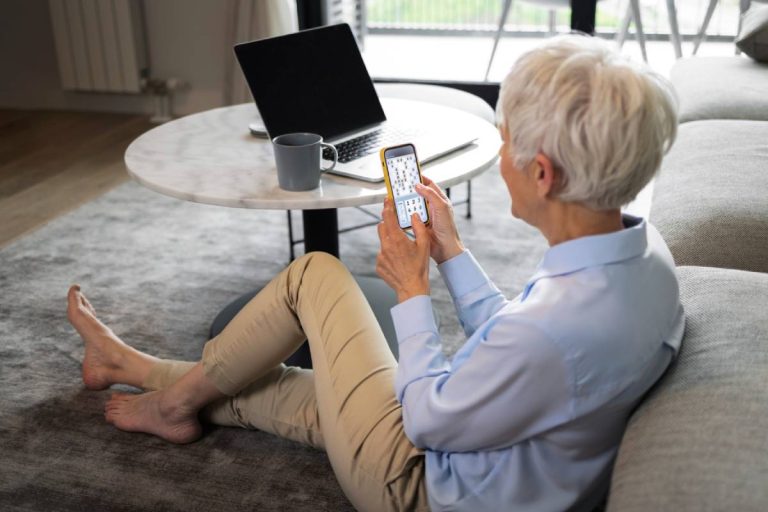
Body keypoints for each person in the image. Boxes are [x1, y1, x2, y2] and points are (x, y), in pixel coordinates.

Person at [67, 34, 683, 512]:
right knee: (302, 390)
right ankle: (144, 376)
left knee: (314, 275)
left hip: (417, 485)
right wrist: (450, 255)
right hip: (491, 454)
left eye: (506, 142)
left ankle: (163, 396)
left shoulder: (553, 333)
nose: (502, 157)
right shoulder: (643, 255)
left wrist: (411, 292)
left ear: (542, 174)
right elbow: (520, 344)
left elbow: (424, 419)